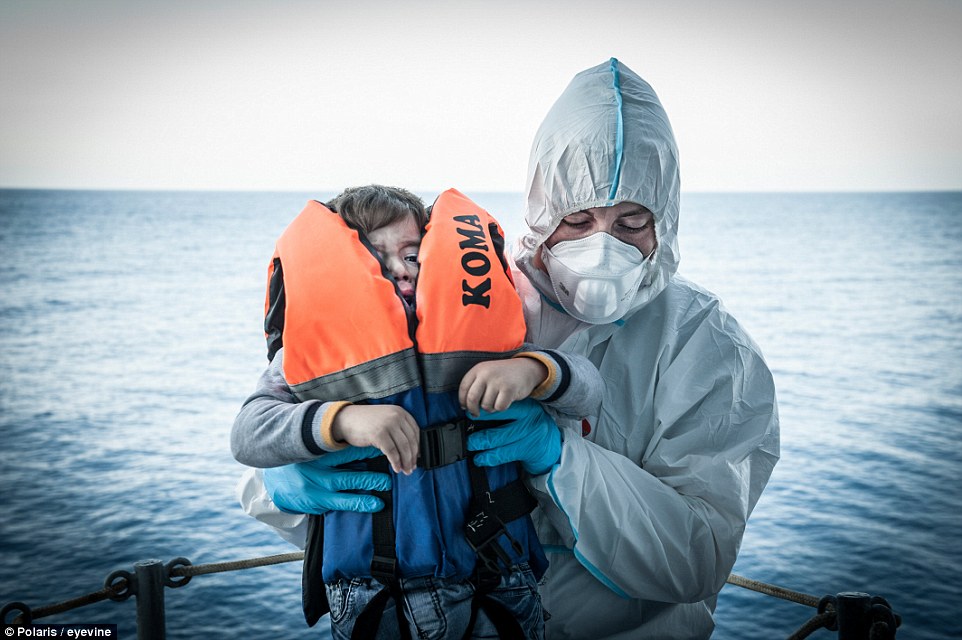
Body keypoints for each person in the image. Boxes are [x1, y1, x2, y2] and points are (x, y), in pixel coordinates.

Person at [239, 58, 780, 639]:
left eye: (631, 222)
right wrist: (289, 485)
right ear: (543, 206)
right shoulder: (463, 300)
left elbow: (696, 559)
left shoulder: (708, 345)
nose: (602, 246)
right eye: (577, 218)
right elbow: (264, 452)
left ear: (665, 220)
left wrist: (558, 457)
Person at [232, 184, 603, 639]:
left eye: (411, 256)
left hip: (500, 578)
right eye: (373, 260)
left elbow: (588, 390)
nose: (397, 272)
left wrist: (534, 370)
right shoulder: (306, 359)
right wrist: (341, 421)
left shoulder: (484, 340)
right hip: (375, 591)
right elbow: (248, 432)